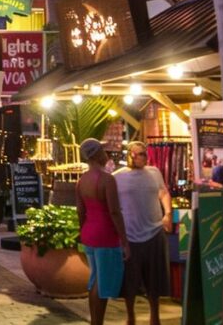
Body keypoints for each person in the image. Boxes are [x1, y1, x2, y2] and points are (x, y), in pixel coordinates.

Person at [114, 141, 172, 325]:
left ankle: (155, 317)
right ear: (130, 154)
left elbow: (163, 193)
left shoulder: (154, 172)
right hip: (130, 234)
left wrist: (168, 214)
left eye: (144, 154)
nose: (142, 157)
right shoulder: (117, 177)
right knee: (129, 281)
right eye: (138, 154)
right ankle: (130, 317)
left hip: (154, 231)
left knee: (155, 279)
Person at [77, 138, 129, 325]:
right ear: (98, 154)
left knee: (95, 280)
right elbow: (114, 211)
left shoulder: (82, 180)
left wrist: (83, 231)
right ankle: (97, 322)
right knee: (102, 281)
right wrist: (124, 240)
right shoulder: (107, 179)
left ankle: (96, 321)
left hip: (90, 233)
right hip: (105, 234)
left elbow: (80, 211)